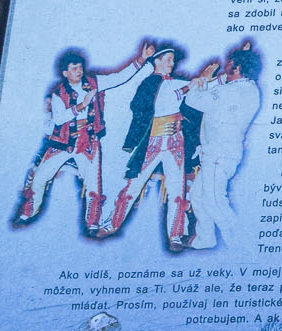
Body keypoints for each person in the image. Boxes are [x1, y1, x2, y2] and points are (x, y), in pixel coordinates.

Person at [12, 44, 153, 233]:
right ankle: (28, 212)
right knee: (39, 178)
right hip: (62, 142)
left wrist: (141, 59)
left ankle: (92, 222)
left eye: (80, 67)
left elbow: (119, 78)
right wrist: (81, 105)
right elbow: (60, 119)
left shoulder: (94, 83)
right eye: (74, 68)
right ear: (65, 72)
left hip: (88, 140)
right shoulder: (58, 93)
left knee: (94, 184)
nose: (79, 71)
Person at [99, 43, 214, 249]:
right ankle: (111, 224)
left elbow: (196, 88)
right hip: (152, 141)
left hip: (174, 142)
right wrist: (196, 82)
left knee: (177, 190)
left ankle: (176, 236)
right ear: (158, 60)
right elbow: (170, 97)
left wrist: (206, 79)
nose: (172, 62)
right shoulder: (149, 83)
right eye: (168, 59)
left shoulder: (174, 82)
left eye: (172, 59)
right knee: (133, 185)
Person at [181, 41, 262, 250]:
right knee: (198, 197)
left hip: (218, 153)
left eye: (230, 64)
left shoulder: (228, 93)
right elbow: (228, 80)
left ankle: (242, 245)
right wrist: (241, 60)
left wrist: (203, 79)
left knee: (214, 201)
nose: (226, 67)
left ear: (237, 68)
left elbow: (193, 100)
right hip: (224, 153)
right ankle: (205, 238)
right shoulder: (251, 89)